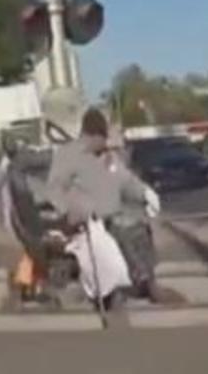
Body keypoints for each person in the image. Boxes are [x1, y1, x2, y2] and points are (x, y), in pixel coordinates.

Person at [46, 108, 177, 304]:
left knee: (139, 225)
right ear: (91, 135)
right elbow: (54, 190)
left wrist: (145, 193)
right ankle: (145, 284)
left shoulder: (107, 157)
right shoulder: (68, 155)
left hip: (110, 216)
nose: (105, 143)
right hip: (86, 220)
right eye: (102, 138)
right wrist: (70, 211)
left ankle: (146, 278)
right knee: (126, 230)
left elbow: (126, 181)